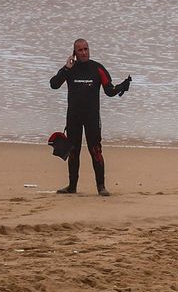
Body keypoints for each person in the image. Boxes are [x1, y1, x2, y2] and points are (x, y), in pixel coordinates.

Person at [49, 38, 131, 196]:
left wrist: (122, 86)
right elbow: (53, 84)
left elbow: (109, 90)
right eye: (80, 50)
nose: (84, 52)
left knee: (96, 150)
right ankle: (72, 186)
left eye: (86, 49)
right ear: (75, 52)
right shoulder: (70, 69)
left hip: (92, 117)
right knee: (73, 152)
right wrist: (66, 68)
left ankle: (101, 187)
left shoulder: (97, 68)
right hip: (73, 117)